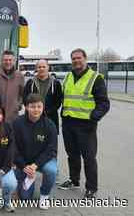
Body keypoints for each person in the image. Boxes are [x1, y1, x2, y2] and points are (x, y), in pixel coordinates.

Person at [58, 48, 110, 199]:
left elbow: (104, 103)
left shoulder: (95, 78)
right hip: (68, 123)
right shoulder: (68, 77)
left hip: (86, 125)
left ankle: (91, 188)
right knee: (72, 155)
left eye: (79, 58)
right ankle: (74, 180)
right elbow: (63, 97)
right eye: (73, 58)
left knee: (88, 157)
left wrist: (93, 117)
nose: (76, 61)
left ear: (85, 59)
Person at [12, 94, 58, 210]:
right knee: (25, 197)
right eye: (32, 107)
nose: (36, 110)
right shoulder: (17, 123)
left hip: (41, 162)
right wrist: (23, 166)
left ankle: (44, 195)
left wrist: (35, 165)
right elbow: (13, 148)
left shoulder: (50, 125)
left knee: (52, 170)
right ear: (26, 107)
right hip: (24, 163)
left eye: (39, 106)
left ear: (43, 107)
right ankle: (23, 182)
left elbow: (51, 150)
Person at [23, 59, 63, 133]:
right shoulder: (30, 83)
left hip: (50, 118)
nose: (41, 69)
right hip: (32, 118)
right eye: (39, 67)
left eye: (44, 67)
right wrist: (33, 111)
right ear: (36, 68)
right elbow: (25, 99)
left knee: (49, 140)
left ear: (48, 67)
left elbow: (58, 101)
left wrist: (47, 112)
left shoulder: (55, 83)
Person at [0, 50, 24, 123]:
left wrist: (18, 105)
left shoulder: (20, 76)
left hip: (13, 117)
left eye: (10, 60)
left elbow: (22, 94)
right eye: (5, 60)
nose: (8, 62)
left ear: (14, 61)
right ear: (2, 61)